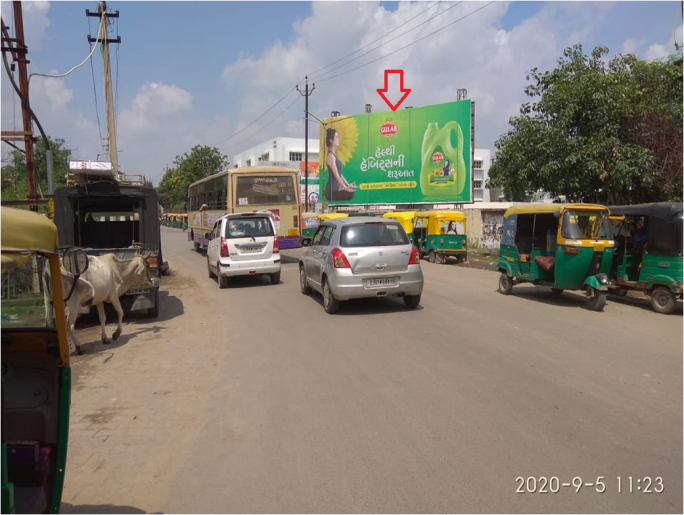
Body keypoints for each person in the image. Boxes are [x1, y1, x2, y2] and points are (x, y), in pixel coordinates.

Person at [323, 128, 355, 201]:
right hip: (331, 192)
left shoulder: (335, 155)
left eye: (338, 137)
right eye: (336, 137)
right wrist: (345, 188)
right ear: (331, 141)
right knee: (350, 194)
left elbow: (340, 174)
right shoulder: (330, 156)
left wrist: (348, 185)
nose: (338, 139)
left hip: (336, 189)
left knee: (352, 192)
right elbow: (336, 175)